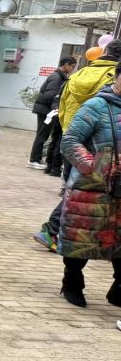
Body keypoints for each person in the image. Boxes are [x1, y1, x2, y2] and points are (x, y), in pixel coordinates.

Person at [33, 41, 121, 251]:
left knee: (75, 192)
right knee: (83, 196)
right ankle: (57, 232)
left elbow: (62, 105)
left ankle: (55, 232)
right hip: (99, 152)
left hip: (74, 139)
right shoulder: (111, 78)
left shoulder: (79, 74)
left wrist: (66, 130)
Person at [57, 70, 121, 308]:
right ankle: (72, 282)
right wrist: (94, 166)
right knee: (82, 237)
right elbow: (70, 141)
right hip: (92, 186)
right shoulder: (96, 106)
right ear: (116, 76)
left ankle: (118, 288)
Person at [28, 57, 76, 170]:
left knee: (43, 135)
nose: (73, 69)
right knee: (42, 135)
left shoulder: (59, 76)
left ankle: (36, 159)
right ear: (66, 64)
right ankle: (34, 160)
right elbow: (50, 96)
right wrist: (57, 107)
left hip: (47, 110)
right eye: (72, 66)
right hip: (46, 111)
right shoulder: (56, 77)